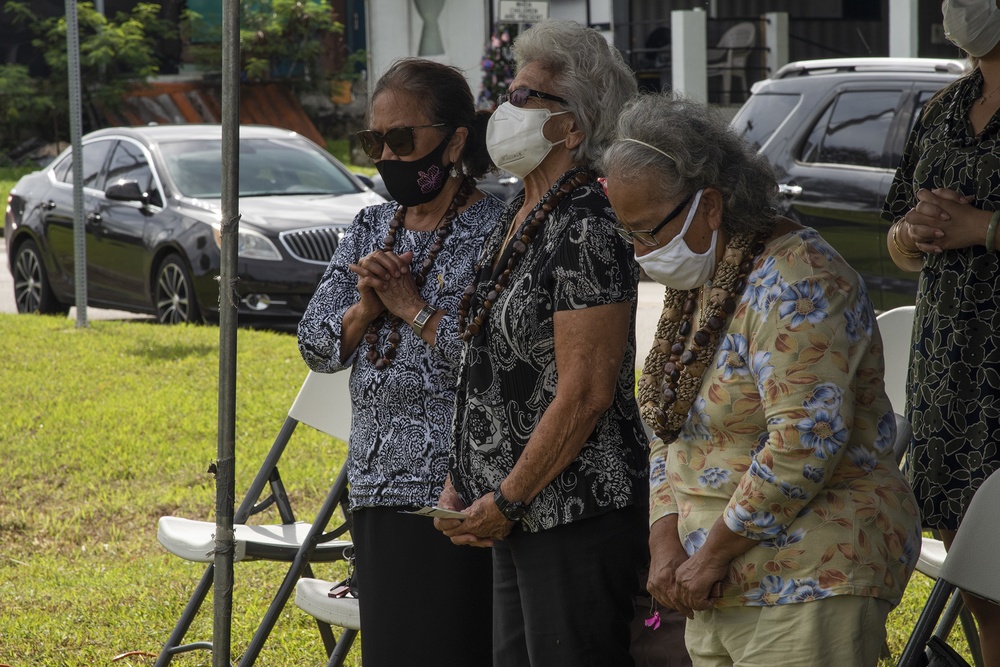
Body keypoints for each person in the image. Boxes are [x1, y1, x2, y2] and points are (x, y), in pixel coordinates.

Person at [601, 93, 921, 667]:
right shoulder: (703, 279)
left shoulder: (800, 278)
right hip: (715, 580)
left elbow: (803, 441)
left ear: (712, 205)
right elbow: (665, 420)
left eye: (648, 230)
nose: (641, 251)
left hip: (807, 575)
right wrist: (665, 540)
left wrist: (709, 556)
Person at [432, 19, 648, 667]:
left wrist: (508, 495)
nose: (506, 109)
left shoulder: (586, 226)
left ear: (572, 127)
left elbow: (585, 391)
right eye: (508, 92)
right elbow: (488, 366)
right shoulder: (521, 209)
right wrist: (462, 478)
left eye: (526, 97)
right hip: (516, 505)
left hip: (573, 508)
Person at [297, 58, 505, 667]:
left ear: (456, 140)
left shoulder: (498, 229)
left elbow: (496, 368)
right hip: (375, 488)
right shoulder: (370, 227)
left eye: (403, 139)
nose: (386, 154)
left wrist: (411, 308)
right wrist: (364, 310)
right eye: (374, 141)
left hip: (457, 492)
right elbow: (316, 344)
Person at [883, 1, 1000, 663]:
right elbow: (899, 233)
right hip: (948, 372)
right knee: (975, 560)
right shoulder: (945, 107)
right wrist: (911, 235)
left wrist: (982, 228)